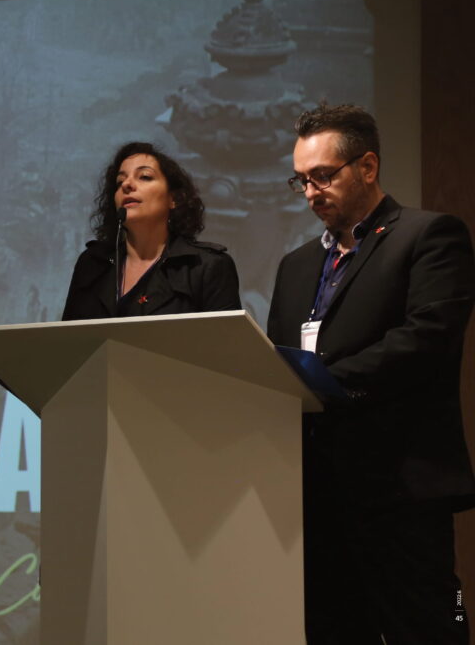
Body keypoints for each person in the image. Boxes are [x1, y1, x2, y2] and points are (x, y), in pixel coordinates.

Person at [267, 103, 475, 643]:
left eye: (322, 176)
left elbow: (425, 338)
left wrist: (323, 382)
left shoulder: (429, 236)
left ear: (367, 166)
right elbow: (280, 355)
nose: (310, 192)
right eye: (301, 180)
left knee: (429, 628)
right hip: (316, 492)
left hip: (399, 488)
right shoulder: (295, 266)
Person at [62, 141, 240, 319]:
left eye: (145, 177)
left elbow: (225, 337)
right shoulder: (91, 264)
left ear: (174, 199)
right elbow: (69, 335)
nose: (127, 185)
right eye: (119, 181)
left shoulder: (206, 267)